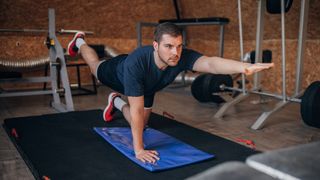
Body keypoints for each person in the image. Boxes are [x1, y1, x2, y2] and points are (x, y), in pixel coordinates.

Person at [67, 22, 274, 164]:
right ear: (155, 46)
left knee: (143, 125)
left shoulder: (179, 56)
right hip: (118, 73)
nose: (175, 52)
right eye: (168, 46)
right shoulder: (136, 64)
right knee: (94, 67)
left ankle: (117, 103)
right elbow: (137, 111)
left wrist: (244, 67)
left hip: (146, 87)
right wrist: (139, 150)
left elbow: (210, 62)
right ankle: (80, 42)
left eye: (178, 46)